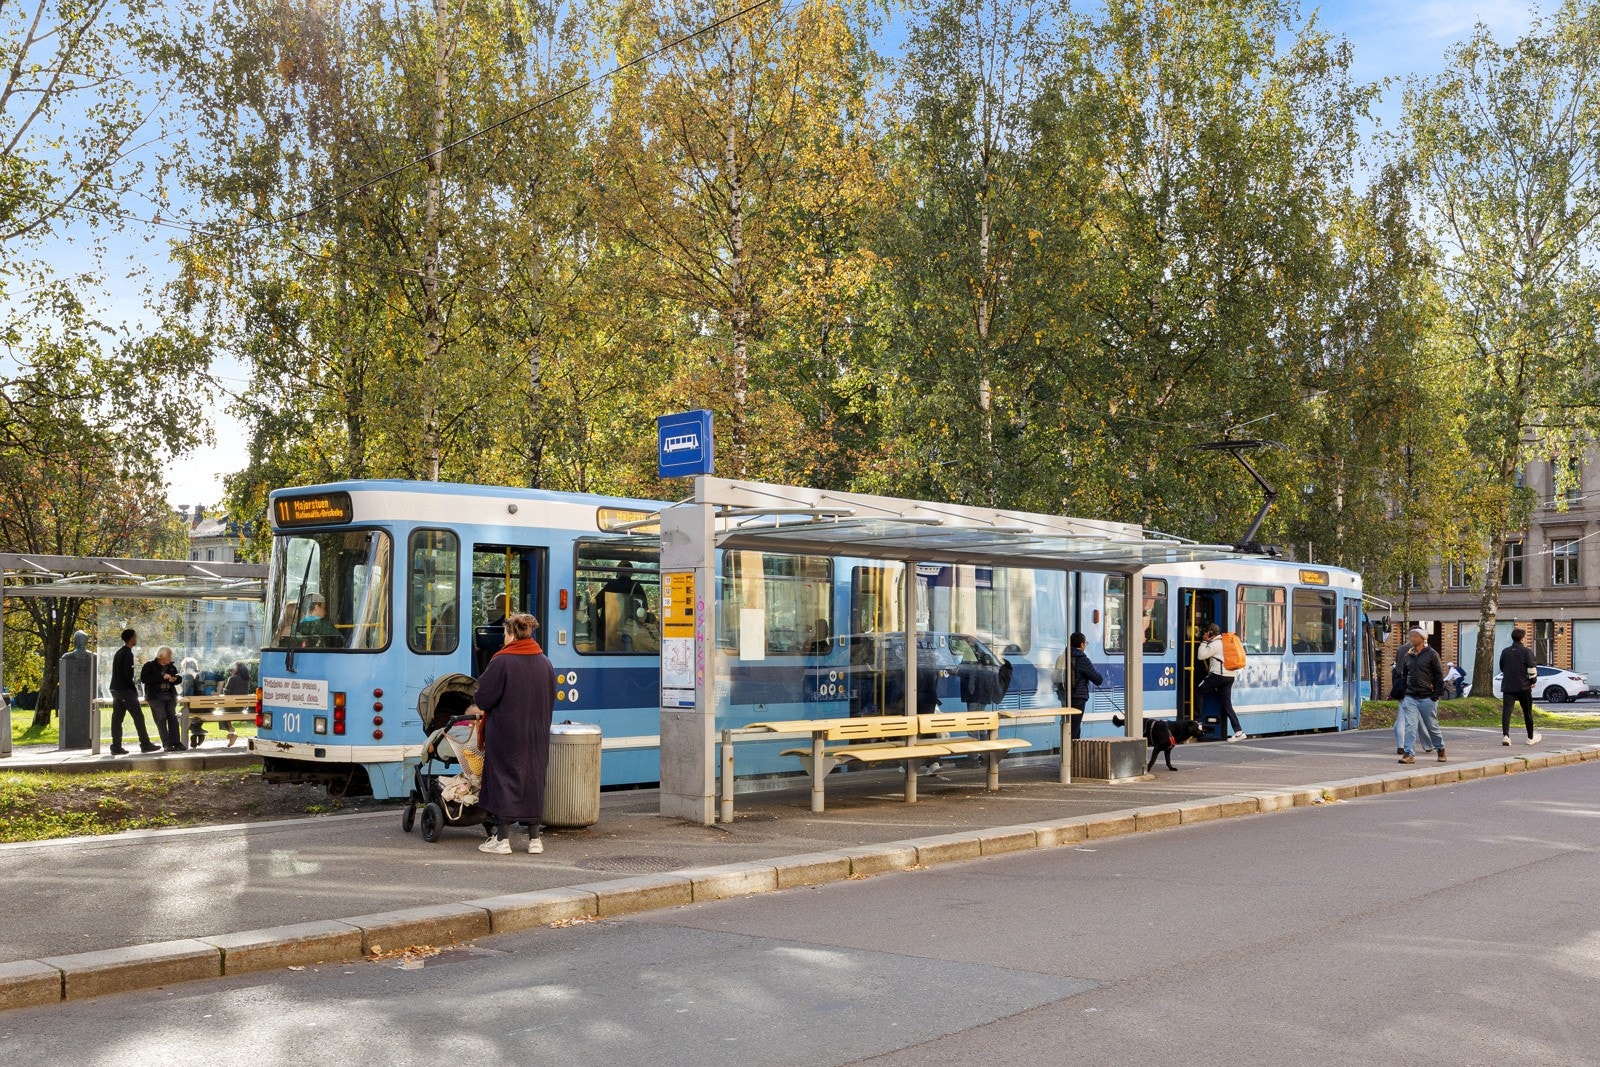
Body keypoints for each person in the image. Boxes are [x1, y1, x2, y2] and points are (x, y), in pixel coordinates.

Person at [475, 613, 557, 856]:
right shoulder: (545, 662)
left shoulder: (501, 661)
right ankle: (534, 840)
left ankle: (502, 840)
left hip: (506, 733)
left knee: (503, 779)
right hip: (537, 733)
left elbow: (483, 698)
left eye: (504, 633)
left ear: (511, 634)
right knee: (533, 779)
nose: (503, 637)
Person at [1396, 627, 1446, 764]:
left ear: (1423, 638)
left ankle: (1440, 748)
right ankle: (1408, 754)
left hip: (1427, 697)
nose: (1412, 638)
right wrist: (1405, 693)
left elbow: (1438, 676)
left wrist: (1436, 695)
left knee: (1432, 726)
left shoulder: (1432, 654)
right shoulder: (1408, 656)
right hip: (1411, 697)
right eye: (1411, 636)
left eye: (1415, 636)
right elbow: (1404, 675)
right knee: (1410, 726)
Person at [109, 628, 157, 755]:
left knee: (117, 719)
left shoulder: (119, 652)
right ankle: (145, 743)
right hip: (125, 691)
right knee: (138, 717)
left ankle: (116, 746)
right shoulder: (128, 654)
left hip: (116, 689)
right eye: (135, 637)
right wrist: (133, 690)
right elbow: (127, 675)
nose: (136, 639)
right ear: (132, 638)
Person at [1197, 623, 1246, 741]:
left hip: (1218, 676)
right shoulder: (1225, 642)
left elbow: (1201, 656)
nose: (1204, 634)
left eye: (1206, 632)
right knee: (1227, 704)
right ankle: (1239, 731)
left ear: (1209, 633)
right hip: (1230, 676)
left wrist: (1204, 642)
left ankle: (1198, 722)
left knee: (1199, 691)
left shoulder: (1215, 644)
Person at [1498, 627, 1542, 747]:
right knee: (1527, 712)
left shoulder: (1505, 651)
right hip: (1524, 686)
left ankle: (1506, 736)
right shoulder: (1526, 651)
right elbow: (1532, 668)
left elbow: (1502, 667)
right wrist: (1533, 680)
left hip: (1508, 686)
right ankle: (1530, 737)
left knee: (1507, 712)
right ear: (1522, 639)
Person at [140, 646, 185, 752]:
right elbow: (144, 679)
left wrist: (175, 679)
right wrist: (162, 677)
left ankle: (176, 742)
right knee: (161, 718)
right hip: (156, 696)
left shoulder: (171, 666)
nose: (170, 658)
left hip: (169, 695)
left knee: (173, 718)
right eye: (168, 656)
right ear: (161, 657)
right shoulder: (149, 665)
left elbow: (178, 678)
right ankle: (167, 743)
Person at [1058, 632, 1102, 740]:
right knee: (1074, 726)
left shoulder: (1062, 656)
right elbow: (1098, 679)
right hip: (1078, 697)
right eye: (1085, 643)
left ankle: (1071, 751)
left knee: (1068, 724)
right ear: (1082, 645)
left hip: (1064, 696)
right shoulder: (1082, 659)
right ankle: (1070, 753)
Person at [181, 657, 207, 748]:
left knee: (180, 715)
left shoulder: (189, 676)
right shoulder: (202, 674)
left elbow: (187, 692)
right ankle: (197, 733)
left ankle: (197, 733)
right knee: (196, 716)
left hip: (193, 705)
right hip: (205, 706)